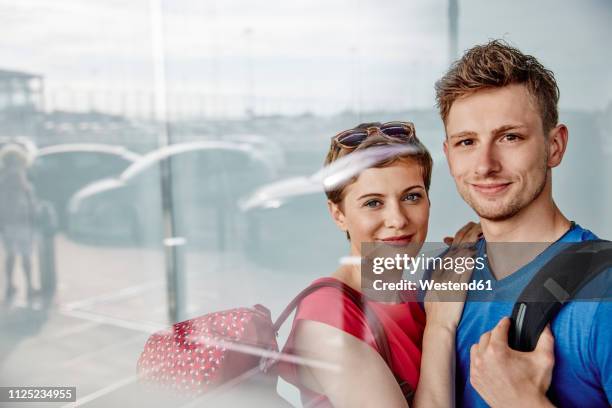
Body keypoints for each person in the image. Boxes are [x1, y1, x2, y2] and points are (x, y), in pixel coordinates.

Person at [435, 40, 611, 406]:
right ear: (448, 156)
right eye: (467, 142)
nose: (485, 164)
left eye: (509, 137)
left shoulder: (604, 294)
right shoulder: (441, 280)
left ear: (555, 146)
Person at [280, 122, 481, 407]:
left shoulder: (412, 294)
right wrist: (440, 324)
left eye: (412, 196)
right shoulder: (326, 321)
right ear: (338, 215)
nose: (397, 220)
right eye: (373, 203)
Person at [0, 144, 38, 302]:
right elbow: (27, 198)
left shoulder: (2, 177)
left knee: (10, 255)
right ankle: (29, 286)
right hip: (22, 221)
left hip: (7, 221)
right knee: (25, 255)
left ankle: (9, 285)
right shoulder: (18, 175)